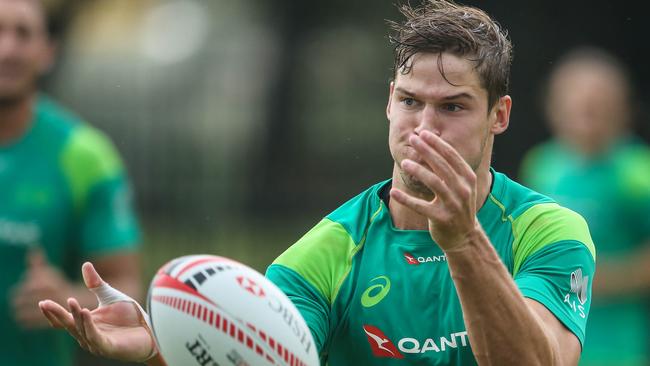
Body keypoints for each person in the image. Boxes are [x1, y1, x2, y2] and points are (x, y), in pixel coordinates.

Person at [39, 1, 596, 365]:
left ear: (499, 115)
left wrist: (463, 242)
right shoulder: (332, 249)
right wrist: (159, 353)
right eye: (409, 102)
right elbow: (263, 355)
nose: (425, 127)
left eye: (453, 106)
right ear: (387, 103)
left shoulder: (545, 229)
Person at [0, 0, 142, 365]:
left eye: (23, 33)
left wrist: (67, 295)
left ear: (48, 52)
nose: (8, 48)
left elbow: (128, 288)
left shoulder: (85, 156)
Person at [520, 47, 650, 366]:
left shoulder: (637, 173)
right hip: (552, 343)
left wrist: (591, 280)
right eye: (577, 107)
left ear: (621, 109)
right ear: (553, 107)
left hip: (617, 347)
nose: (586, 119)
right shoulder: (542, 165)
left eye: (596, 108)